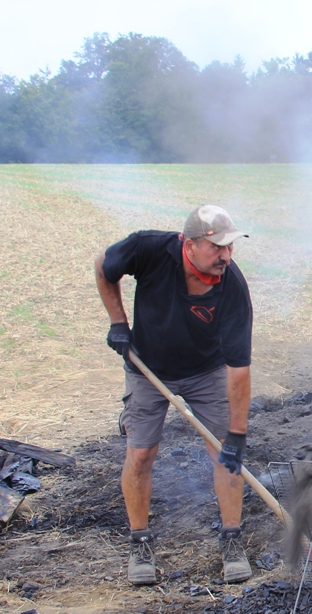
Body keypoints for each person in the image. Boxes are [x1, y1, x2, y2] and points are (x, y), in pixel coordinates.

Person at [95, 205, 254, 586]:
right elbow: (103, 265)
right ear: (190, 245)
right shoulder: (148, 250)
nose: (226, 257)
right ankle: (140, 544)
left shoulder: (232, 287)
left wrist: (236, 433)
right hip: (147, 367)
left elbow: (239, 370)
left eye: (230, 248)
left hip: (206, 371)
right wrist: (118, 321)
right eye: (217, 248)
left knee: (226, 456)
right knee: (142, 453)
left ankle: (232, 540)